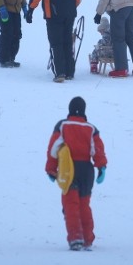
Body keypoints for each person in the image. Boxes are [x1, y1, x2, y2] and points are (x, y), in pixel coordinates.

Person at [45, 96, 107, 251]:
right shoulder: (91, 128)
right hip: (87, 170)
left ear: (70, 110)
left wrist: (51, 169)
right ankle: (87, 239)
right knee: (84, 205)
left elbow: (54, 148)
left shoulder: (63, 125)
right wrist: (101, 167)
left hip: (69, 169)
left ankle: (75, 238)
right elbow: (97, 149)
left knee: (71, 205)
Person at [26, 0, 81, 83]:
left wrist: (31, 9)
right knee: (67, 42)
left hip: (53, 14)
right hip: (69, 14)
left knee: (56, 43)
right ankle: (70, 72)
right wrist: (70, 8)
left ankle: (60, 73)